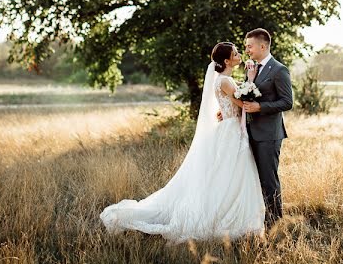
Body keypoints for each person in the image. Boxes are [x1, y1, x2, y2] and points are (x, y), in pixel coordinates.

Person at [99, 42, 265, 243]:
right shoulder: (226, 81)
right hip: (230, 131)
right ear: (227, 60)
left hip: (230, 128)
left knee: (228, 173)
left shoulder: (223, 80)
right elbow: (244, 104)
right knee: (229, 173)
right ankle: (228, 216)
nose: (239, 55)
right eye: (236, 53)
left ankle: (238, 213)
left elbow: (233, 104)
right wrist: (251, 80)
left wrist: (236, 99)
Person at [230, 28, 293, 226]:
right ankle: (258, 222)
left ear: (262, 46)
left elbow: (287, 102)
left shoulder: (279, 70)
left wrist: (260, 107)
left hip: (268, 136)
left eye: (249, 46)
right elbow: (248, 94)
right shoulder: (253, 69)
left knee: (269, 181)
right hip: (251, 133)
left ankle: (275, 225)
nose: (247, 50)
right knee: (254, 181)